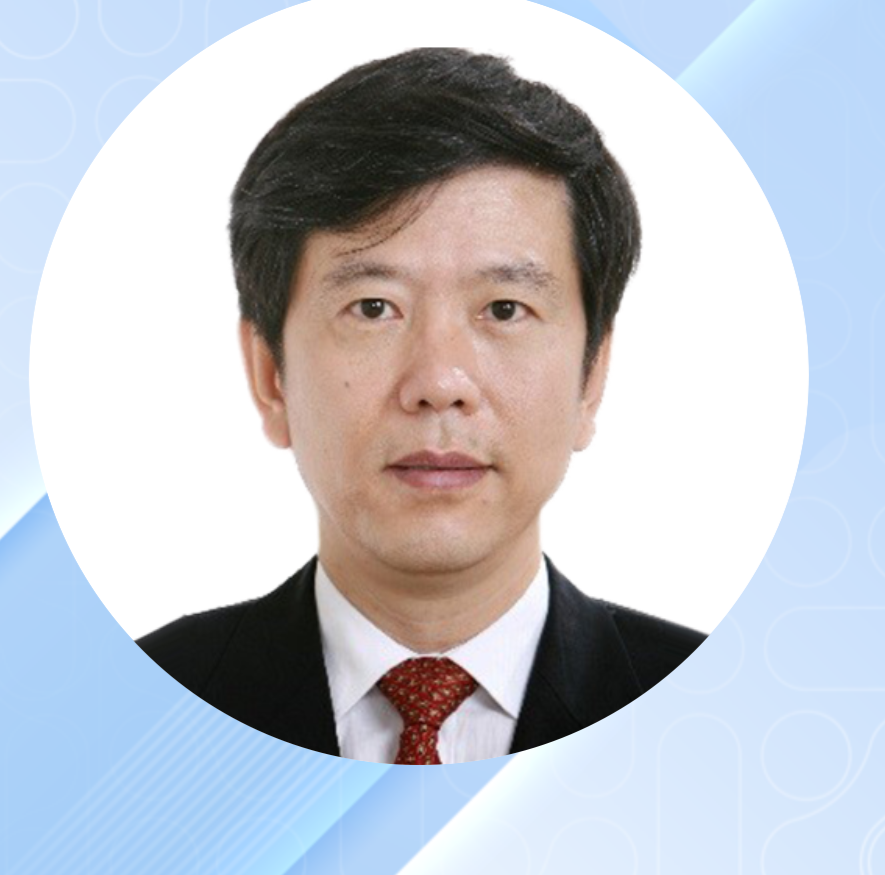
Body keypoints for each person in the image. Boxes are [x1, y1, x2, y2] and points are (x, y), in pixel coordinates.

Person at [138, 47, 704, 764]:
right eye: (374, 307)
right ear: (270, 375)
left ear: (592, 375)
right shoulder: (138, 705)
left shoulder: (712, 708)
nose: (439, 381)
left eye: (505, 308)